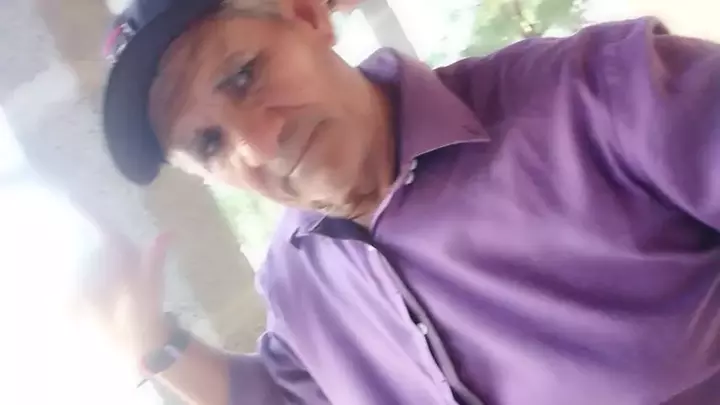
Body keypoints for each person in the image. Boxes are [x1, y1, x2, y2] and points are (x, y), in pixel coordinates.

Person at [88, 0, 720, 404]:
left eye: (245, 75)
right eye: (209, 143)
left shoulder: (601, 92)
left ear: (308, 16)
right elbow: (289, 394)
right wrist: (157, 347)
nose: (258, 142)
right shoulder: (296, 283)